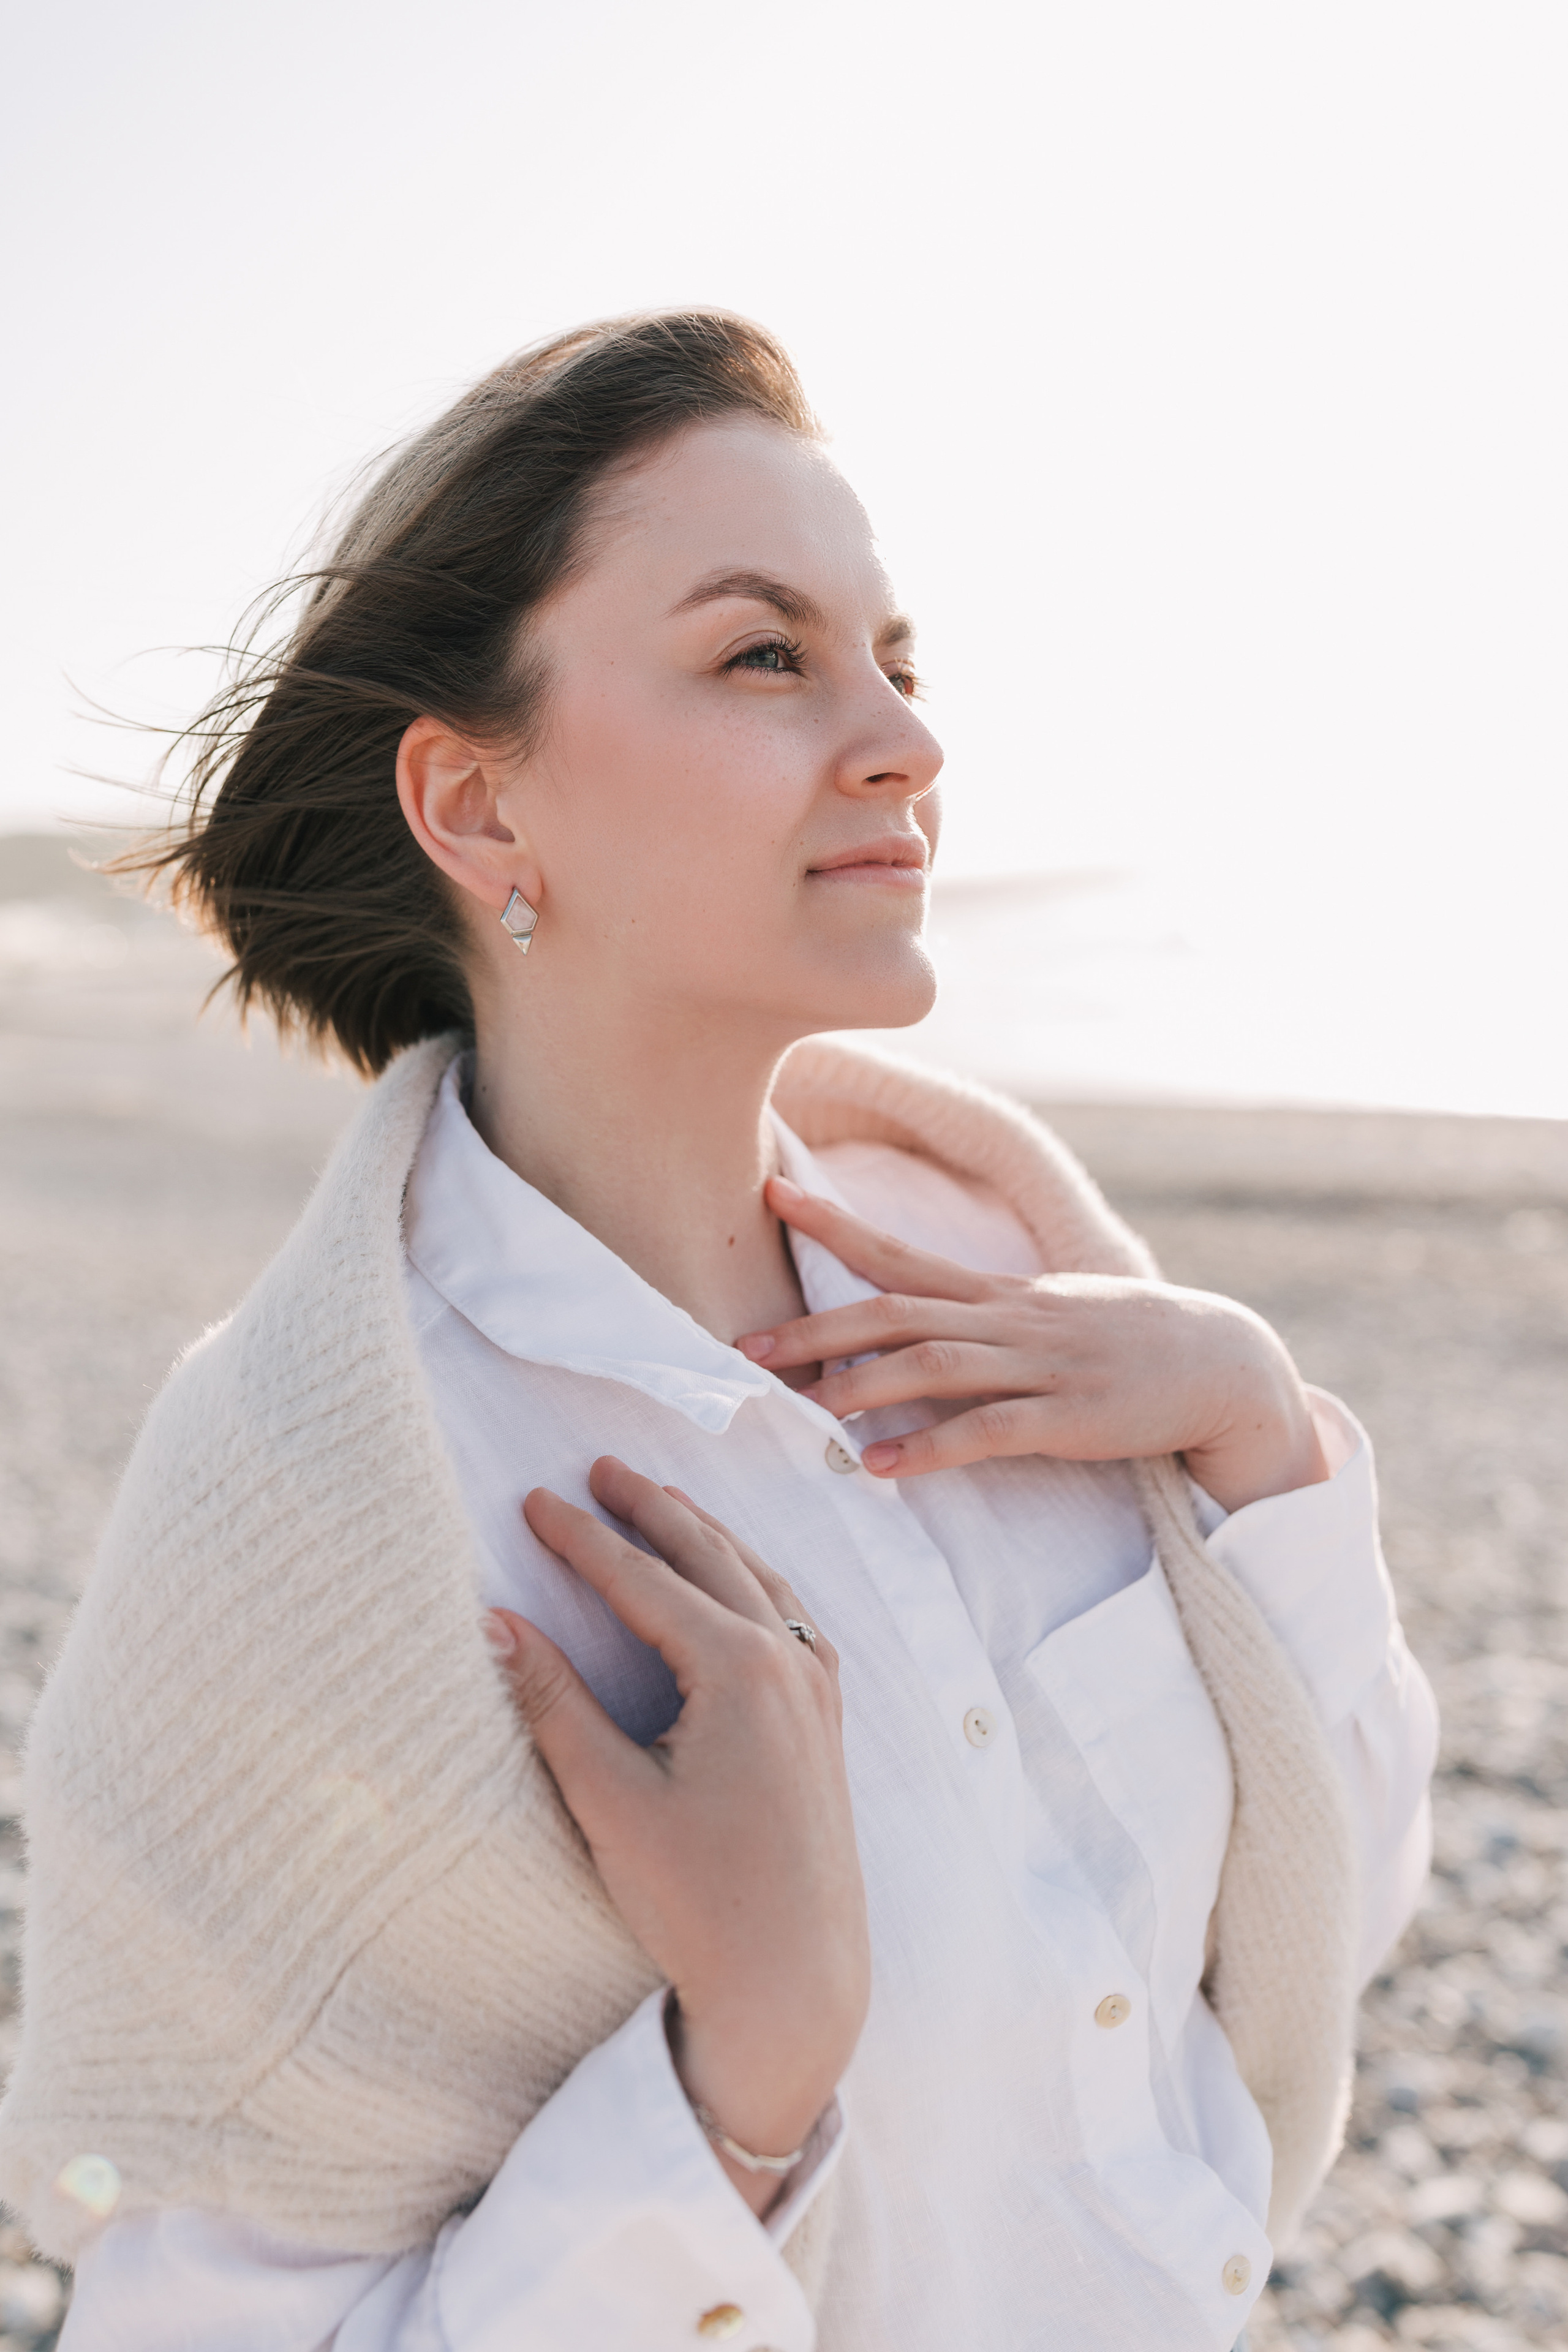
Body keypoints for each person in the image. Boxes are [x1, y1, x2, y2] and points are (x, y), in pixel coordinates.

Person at [1, 312, 1436, 2351]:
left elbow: (1329, 1918)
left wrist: (1263, 1438)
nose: (907, 743)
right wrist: (734, 2089)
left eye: (899, 661)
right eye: (767, 654)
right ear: (480, 812)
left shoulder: (1017, 1267)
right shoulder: (307, 1512)